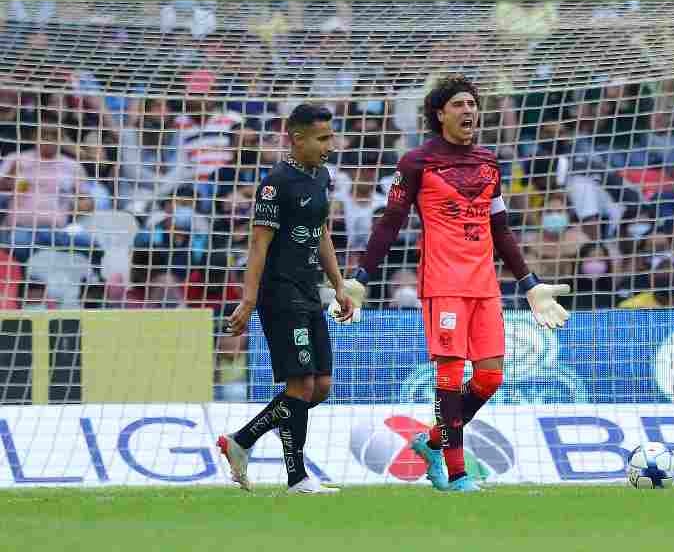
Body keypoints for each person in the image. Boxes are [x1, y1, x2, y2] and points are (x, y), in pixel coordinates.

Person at [329, 74, 571, 492]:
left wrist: (529, 282)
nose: (469, 111)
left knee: (491, 377)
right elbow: (390, 223)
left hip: (485, 284)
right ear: (440, 113)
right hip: (443, 283)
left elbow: (501, 228)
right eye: (459, 104)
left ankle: (432, 441)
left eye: (473, 104)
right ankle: (457, 475)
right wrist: (360, 277)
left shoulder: (489, 162)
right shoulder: (417, 163)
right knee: (450, 375)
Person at [217, 104, 353, 494]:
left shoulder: (321, 176)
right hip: (279, 293)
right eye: (322, 138)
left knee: (321, 386)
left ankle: (241, 441)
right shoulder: (275, 183)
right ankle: (297, 478)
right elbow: (258, 245)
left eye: (331, 136)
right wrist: (248, 300)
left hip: (309, 290)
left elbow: (321, 232)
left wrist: (339, 284)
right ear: (296, 138)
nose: (330, 145)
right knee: (300, 387)